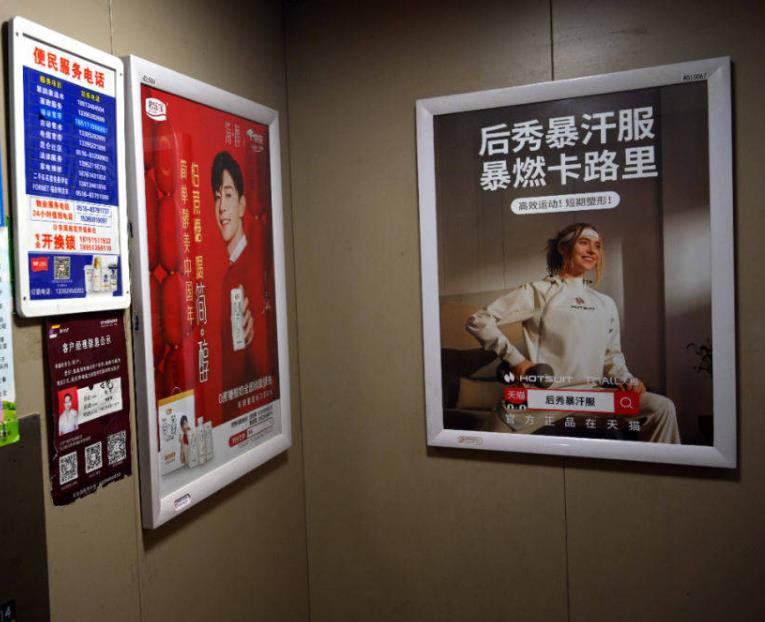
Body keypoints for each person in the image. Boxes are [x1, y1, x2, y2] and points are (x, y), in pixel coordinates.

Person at [466, 222, 680, 443]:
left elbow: (611, 356)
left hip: (592, 396)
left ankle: (663, 468)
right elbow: (479, 320)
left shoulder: (605, 303)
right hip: (545, 398)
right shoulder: (539, 292)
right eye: (584, 243)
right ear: (563, 248)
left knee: (661, 408)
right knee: (485, 446)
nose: (592, 251)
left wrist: (627, 379)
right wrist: (516, 360)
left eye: (597, 246)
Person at [211, 151, 262, 415]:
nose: (221, 207)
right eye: (217, 197)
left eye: (228, 195)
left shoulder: (251, 265)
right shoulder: (230, 275)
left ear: (242, 205)